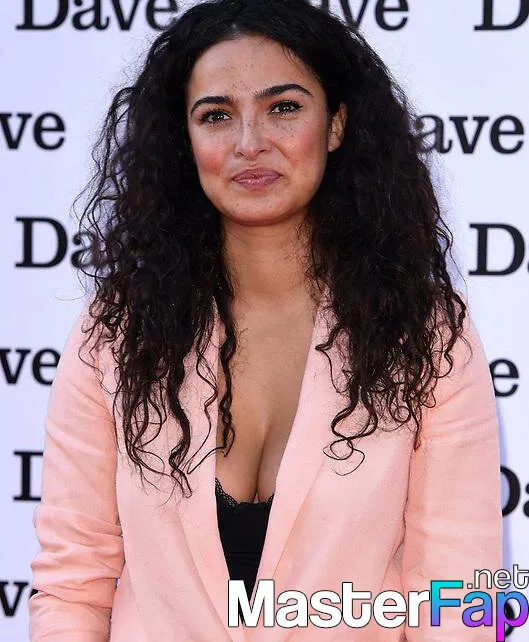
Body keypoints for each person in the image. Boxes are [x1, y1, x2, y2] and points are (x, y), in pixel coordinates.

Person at [29, 0, 503, 640]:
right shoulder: (116, 333)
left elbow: (464, 597)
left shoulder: (425, 332)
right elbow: (71, 584)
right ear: (184, 140)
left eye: (283, 108)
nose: (249, 142)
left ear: (335, 125)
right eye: (216, 116)